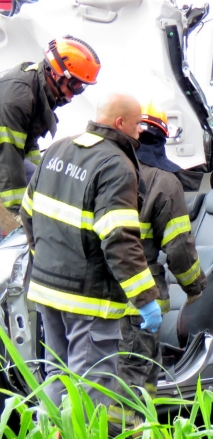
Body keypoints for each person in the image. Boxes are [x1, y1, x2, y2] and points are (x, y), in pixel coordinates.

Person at [20, 94, 161, 417]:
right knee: (90, 386)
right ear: (120, 123)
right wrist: (145, 298)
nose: (141, 131)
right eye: (138, 123)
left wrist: (44, 259)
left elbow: (28, 212)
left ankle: (50, 434)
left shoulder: (58, 149)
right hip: (88, 299)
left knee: (57, 375)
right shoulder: (116, 166)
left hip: (47, 289)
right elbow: (119, 239)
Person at [112, 101, 208, 426]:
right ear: (162, 136)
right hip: (138, 303)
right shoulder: (164, 182)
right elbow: (179, 247)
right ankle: (130, 432)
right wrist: (195, 289)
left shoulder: (103, 168)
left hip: (93, 299)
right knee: (136, 379)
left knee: (98, 374)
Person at [1, 35, 100, 218]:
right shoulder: (18, 99)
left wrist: (41, 179)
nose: (76, 93)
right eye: (75, 85)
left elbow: (27, 143)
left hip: (7, 153)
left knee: (42, 185)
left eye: (82, 87)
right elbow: (8, 157)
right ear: (55, 74)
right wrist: (19, 213)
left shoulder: (38, 87)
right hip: (5, 155)